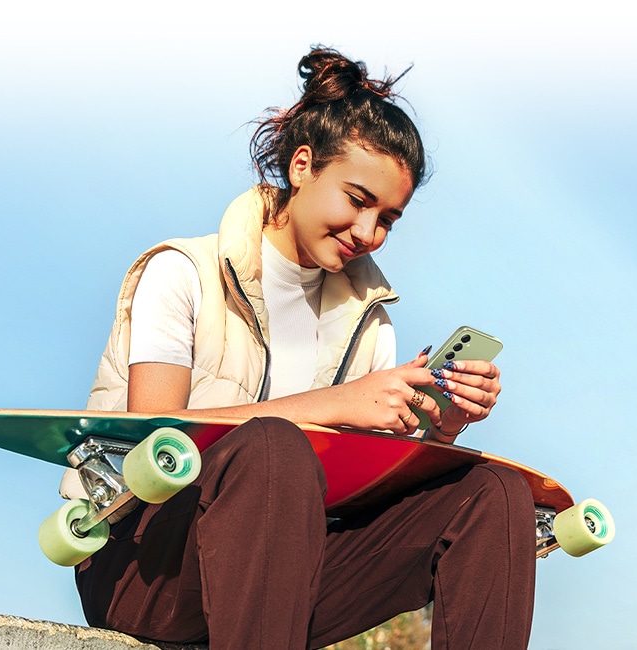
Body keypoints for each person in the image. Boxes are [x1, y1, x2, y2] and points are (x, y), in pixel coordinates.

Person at [69, 47, 538, 650]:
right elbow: (149, 443)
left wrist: (437, 431)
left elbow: (363, 491)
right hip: (145, 565)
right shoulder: (182, 272)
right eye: (357, 200)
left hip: (289, 576)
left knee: (493, 495)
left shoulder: (369, 323)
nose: (369, 234)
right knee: (273, 448)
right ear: (301, 166)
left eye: (389, 218)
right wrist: (338, 403)